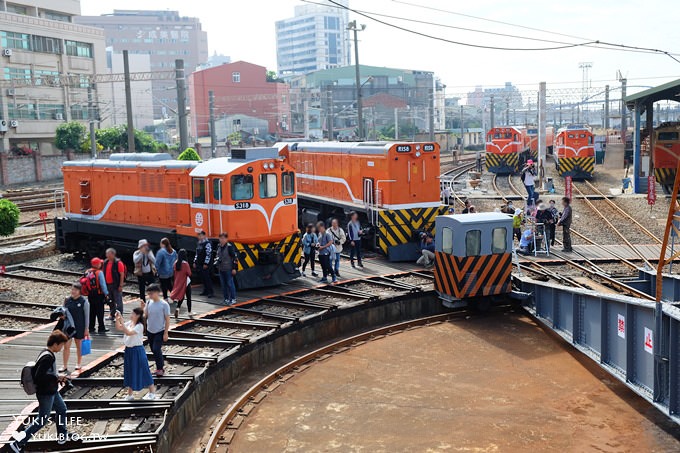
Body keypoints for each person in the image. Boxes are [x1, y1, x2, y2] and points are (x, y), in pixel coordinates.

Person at [8, 331, 71, 452]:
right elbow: (39, 376)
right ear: (56, 344)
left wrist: (57, 377)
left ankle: (62, 435)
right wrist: (56, 378)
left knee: (61, 409)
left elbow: (47, 373)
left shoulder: (46, 353)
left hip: (51, 390)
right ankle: (18, 443)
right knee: (42, 419)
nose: (62, 348)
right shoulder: (48, 357)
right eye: (62, 345)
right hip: (46, 393)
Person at [114, 307, 156, 400]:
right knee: (130, 370)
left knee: (144, 370)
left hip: (137, 350)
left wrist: (121, 320)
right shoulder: (130, 323)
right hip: (129, 350)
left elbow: (128, 332)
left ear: (137, 315)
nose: (131, 315)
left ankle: (152, 392)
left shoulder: (139, 325)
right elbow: (119, 327)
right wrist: (118, 320)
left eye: (133, 313)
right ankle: (130, 394)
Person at [57, 283, 89, 373]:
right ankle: (64, 365)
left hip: (80, 326)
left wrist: (86, 329)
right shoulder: (67, 300)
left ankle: (78, 363)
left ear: (79, 291)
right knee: (66, 346)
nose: (73, 292)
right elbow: (63, 311)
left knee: (79, 346)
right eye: (72, 289)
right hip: (68, 327)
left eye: (75, 290)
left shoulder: (84, 302)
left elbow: (87, 316)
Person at [143, 284, 170, 377]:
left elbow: (167, 319)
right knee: (154, 350)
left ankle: (160, 368)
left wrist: (166, 332)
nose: (150, 295)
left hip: (160, 330)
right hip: (150, 331)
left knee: (156, 348)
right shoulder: (148, 303)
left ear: (158, 293)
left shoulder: (164, 304)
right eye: (149, 294)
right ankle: (160, 366)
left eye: (151, 293)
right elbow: (145, 315)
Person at [86, 258, 109, 334]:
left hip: (90, 294)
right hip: (99, 294)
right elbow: (103, 285)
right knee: (100, 311)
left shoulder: (87, 272)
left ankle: (91, 327)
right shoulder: (99, 273)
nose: (101, 264)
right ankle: (101, 327)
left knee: (92, 311)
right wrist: (106, 294)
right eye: (99, 263)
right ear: (97, 264)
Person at [215, 232, 237, 305]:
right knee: (223, 285)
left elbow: (234, 258)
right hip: (221, 269)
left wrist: (234, 268)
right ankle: (226, 299)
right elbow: (217, 256)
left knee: (230, 284)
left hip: (228, 268)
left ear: (226, 239)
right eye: (220, 238)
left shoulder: (229, 247)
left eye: (223, 238)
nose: (222, 240)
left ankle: (233, 299)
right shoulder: (219, 246)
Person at [103, 248, 126, 319]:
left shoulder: (118, 263)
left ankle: (119, 316)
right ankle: (112, 314)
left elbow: (122, 274)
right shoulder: (106, 262)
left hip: (115, 285)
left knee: (118, 301)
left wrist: (121, 285)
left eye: (108, 254)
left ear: (113, 254)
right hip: (108, 284)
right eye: (107, 254)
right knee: (110, 300)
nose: (107, 255)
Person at [171, 249, 193, 318]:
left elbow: (174, 273)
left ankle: (178, 308)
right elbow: (189, 273)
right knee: (188, 297)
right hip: (186, 282)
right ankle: (189, 312)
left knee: (181, 296)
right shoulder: (185, 264)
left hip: (178, 282)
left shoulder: (175, 263)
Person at [194, 231, 214, 298]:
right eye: (198, 236)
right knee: (203, 278)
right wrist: (195, 262)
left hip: (205, 265)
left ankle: (210, 292)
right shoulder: (199, 244)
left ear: (204, 236)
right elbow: (197, 253)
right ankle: (205, 291)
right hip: (200, 263)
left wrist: (206, 263)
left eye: (200, 235)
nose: (199, 237)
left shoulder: (207, 243)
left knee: (207, 278)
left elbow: (208, 254)